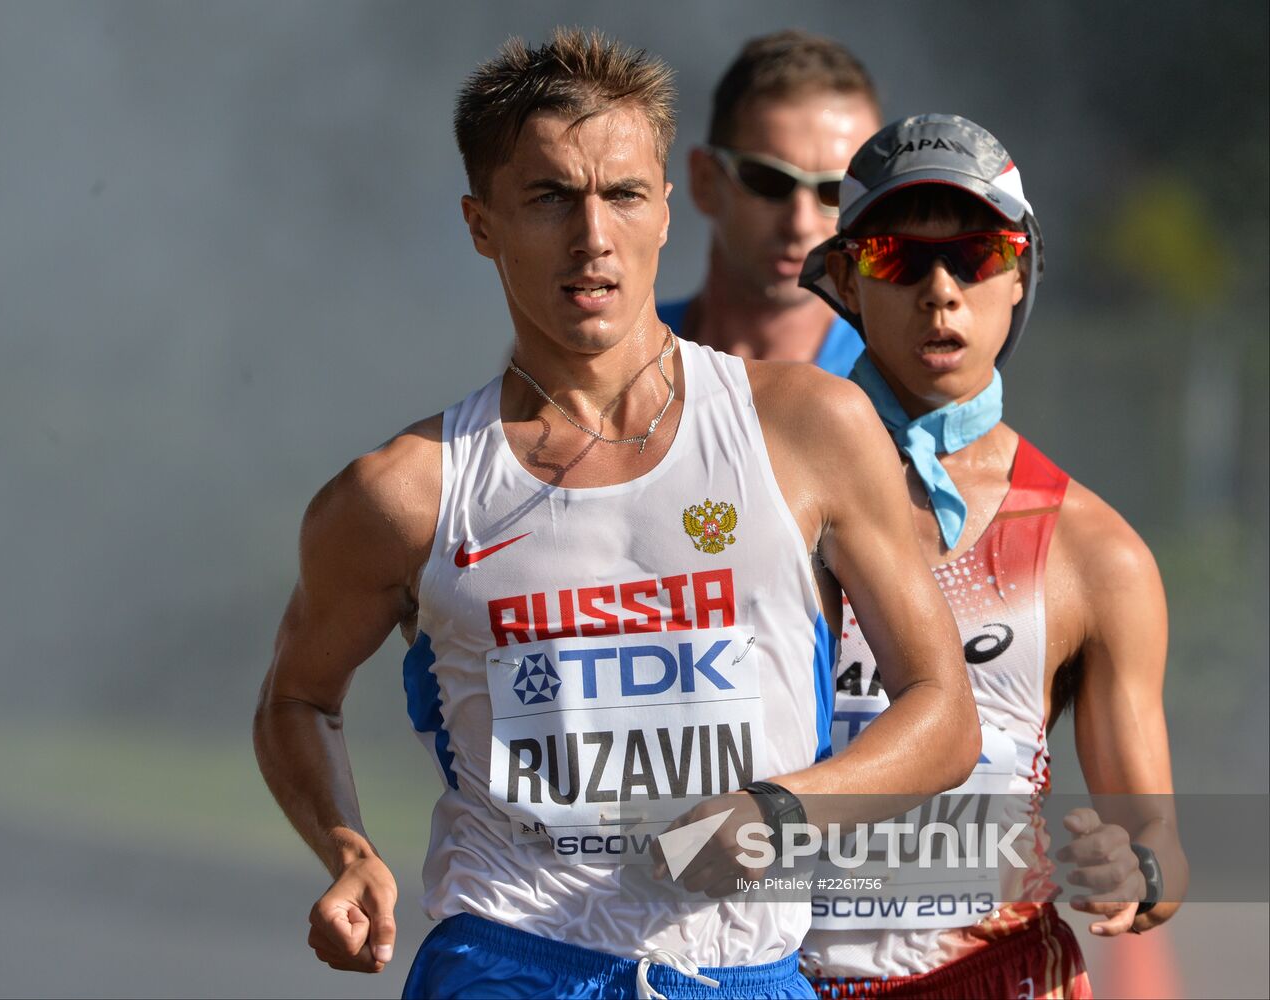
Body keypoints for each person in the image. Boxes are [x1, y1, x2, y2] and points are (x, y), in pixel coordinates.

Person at [253, 31, 980, 1000]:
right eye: (550, 197)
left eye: (622, 195)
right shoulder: (406, 490)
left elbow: (942, 711)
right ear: (482, 223)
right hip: (510, 959)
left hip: (744, 969)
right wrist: (348, 850)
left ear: (666, 211)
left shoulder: (807, 424)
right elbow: (296, 699)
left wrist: (778, 812)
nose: (591, 236)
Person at [797, 114, 1187, 999]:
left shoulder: (1094, 550)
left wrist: (1134, 875)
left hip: (998, 975)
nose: (941, 291)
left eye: (975, 255)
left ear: (1019, 277)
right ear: (849, 283)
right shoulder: (765, 495)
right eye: (899, 256)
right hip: (777, 974)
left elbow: (1155, 843)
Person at [658, 30, 879, 374]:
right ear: (705, 180)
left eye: (837, 190)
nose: (800, 223)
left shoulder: (899, 386)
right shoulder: (608, 363)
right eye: (770, 180)